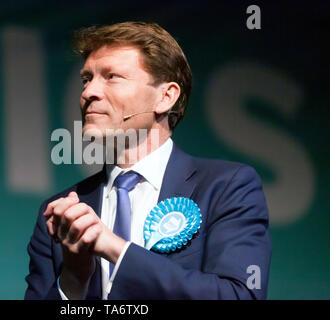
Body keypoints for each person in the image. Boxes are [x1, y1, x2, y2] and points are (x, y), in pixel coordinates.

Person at [24, 21, 271, 300]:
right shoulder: (63, 212)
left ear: (165, 97)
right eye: (86, 78)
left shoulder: (225, 187)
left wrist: (116, 249)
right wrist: (74, 278)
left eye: (112, 76)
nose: (88, 92)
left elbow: (240, 296)